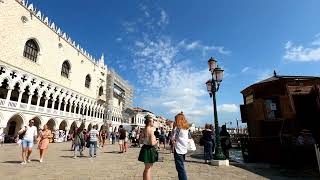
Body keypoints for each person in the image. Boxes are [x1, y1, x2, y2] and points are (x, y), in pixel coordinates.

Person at [138, 115, 158, 180]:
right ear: (149, 122)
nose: (153, 123)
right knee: (148, 168)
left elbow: (140, 141)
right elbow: (152, 143)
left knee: (146, 168)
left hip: (144, 148)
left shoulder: (144, 129)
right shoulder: (151, 130)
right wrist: (156, 141)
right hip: (149, 149)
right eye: (153, 121)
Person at [172, 112, 190, 180]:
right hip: (184, 150)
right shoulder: (186, 128)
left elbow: (173, 138)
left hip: (178, 149)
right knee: (181, 168)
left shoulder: (178, 128)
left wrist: (173, 128)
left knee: (180, 169)